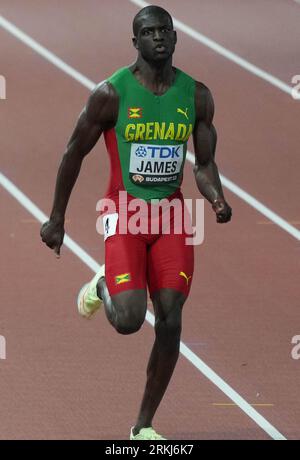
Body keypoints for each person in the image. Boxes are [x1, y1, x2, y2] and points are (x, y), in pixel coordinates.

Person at [40, 5, 232, 440]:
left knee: (170, 318)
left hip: (170, 216)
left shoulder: (197, 96)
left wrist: (217, 198)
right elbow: (73, 152)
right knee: (128, 320)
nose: (159, 37)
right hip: (124, 212)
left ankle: (143, 426)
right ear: (136, 42)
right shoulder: (111, 93)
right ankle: (105, 285)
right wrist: (56, 218)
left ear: (176, 38)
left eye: (165, 30)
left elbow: (204, 164)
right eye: (149, 32)